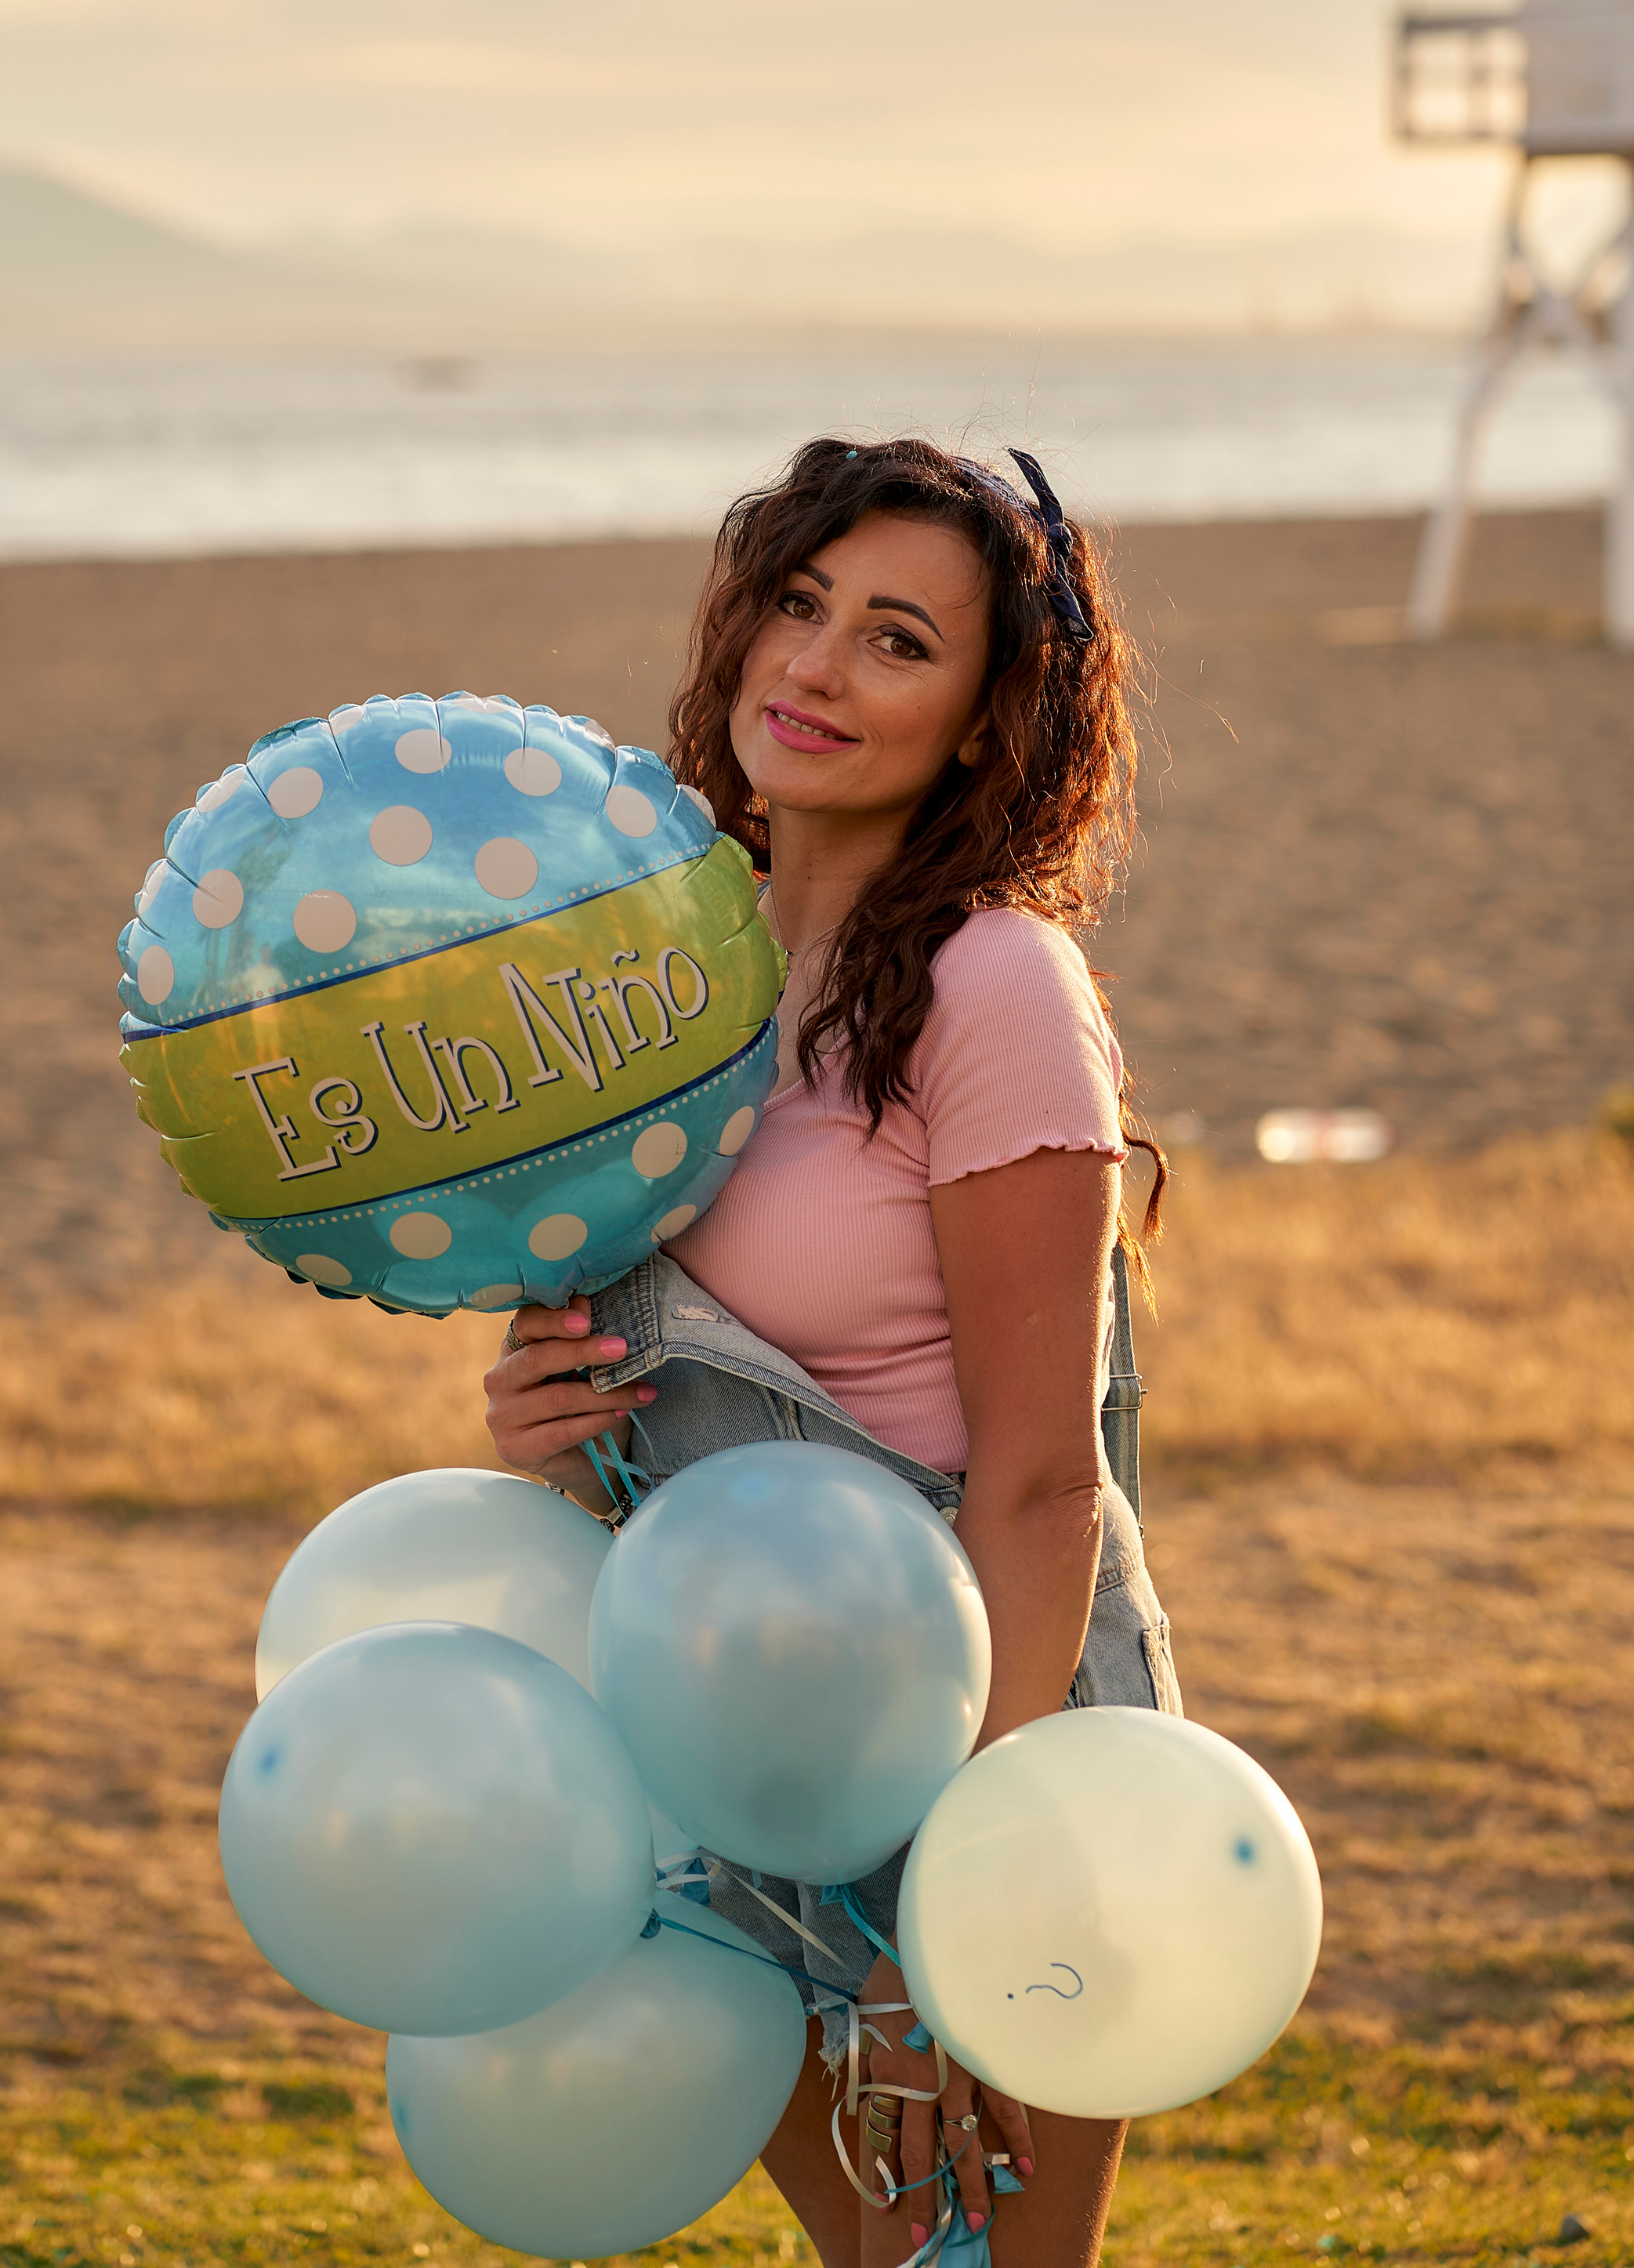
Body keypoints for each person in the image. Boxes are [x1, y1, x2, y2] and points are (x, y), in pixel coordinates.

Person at [484, 434, 1180, 2268]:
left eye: (894, 640)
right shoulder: (664, 977)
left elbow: (1041, 1482)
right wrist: (551, 1432)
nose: (810, 665)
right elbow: (678, 1394)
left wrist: (950, 1930)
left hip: (971, 1776)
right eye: (797, 605)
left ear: (980, 724)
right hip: (729, 1771)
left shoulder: (992, 989)